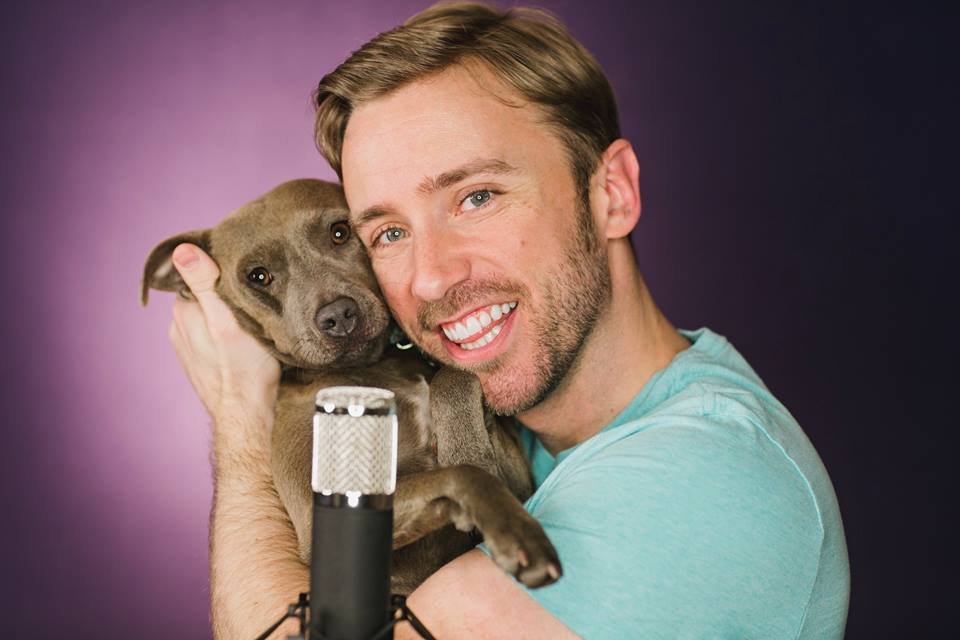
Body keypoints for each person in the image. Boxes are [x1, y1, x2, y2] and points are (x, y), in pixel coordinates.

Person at [167, 3, 850, 638]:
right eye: (389, 233)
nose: (431, 276)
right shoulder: (504, 420)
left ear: (612, 194)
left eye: (477, 197)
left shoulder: (700, 475)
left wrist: (243, 420)